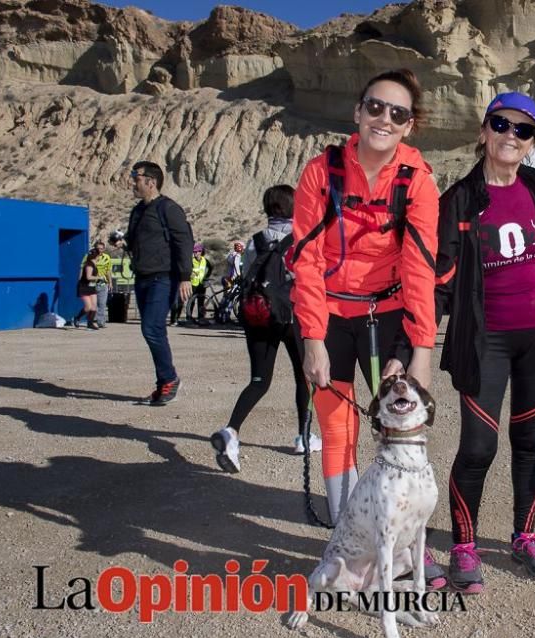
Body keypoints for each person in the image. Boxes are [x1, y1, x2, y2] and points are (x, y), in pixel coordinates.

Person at [291, 69, 444, 588]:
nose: (385, 118)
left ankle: (403, 552)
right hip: (329, 316)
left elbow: (421, 266)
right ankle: (347, 541)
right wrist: (313, 338)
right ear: (358, 112)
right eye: (375, 107)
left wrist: (421, 347)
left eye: (397, 113)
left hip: (387, 317)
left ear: (409, 126)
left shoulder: (418, 182)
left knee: (398, 427)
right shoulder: (321, 172)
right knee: (338, 428)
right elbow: (306, 259)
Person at [435, 92, 535, 593]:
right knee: (479, 446)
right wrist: (414, 345)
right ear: (483, 132)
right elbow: (440, 277)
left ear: (532, 144)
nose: (511, 135)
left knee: (529, 441)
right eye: (501, 124)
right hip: (486, 342)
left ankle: (524, 536)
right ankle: (463, 546)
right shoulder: (460, 198)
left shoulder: (534, 184)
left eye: (523, 129)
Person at [211, 185, 321, 473]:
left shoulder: (255, 241)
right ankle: (304, 436)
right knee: (303, 378)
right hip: (293, 316)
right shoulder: (301, 239)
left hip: (259, 316)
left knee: (259, 380)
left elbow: (245, 274)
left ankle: (231, 431)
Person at [124, 160, 193, 405]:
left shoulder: (168, 208)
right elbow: (134, 241)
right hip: (143, 277)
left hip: (164, 277)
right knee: (153, 329)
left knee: (151, 328)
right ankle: (163, 382)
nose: (133, 181)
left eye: (136, 176)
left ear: (151, 182)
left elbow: (184, 242)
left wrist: (185, 276)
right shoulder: (137, 211)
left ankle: (170, 379)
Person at [171, 243, 212, 325]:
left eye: (197, 252)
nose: (195, 254)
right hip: (192, 284)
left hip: (201, 284)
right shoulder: (191, 261)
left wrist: (206, 277)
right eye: (194, 252)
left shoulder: (205, 261)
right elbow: (187, 270)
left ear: (201, 252)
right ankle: (188, 317)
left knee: (201, 302)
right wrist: (190, 275)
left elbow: (210, 268)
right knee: (191, 301)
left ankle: (201, 318)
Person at [73, 245, 101, 330]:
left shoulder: (94, 264)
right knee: (88, 306)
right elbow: (89, 277)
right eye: (99, 255)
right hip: (84, 288)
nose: (100, 256)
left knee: (94, 306)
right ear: (96, 255)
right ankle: (77, 318)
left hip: (91, 287)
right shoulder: (89, 265)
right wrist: (99, 278)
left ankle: (90, 323)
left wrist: (98, 279)